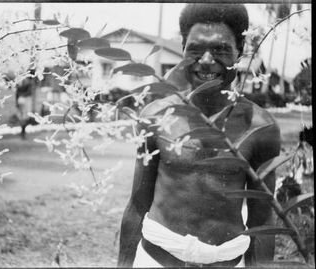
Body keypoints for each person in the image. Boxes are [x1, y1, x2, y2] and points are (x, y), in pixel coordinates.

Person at [118, 3, 280, 267]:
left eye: (220, 50)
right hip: (155, 260)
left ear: (240, 51)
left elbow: (262, 221)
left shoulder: (260, 127)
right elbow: (137, 205)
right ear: (183, 48)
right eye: (195, 49)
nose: (206, 60)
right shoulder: (156, 117)